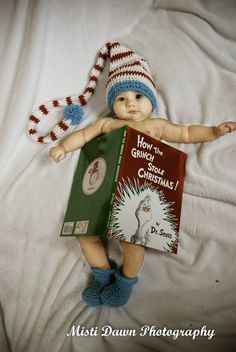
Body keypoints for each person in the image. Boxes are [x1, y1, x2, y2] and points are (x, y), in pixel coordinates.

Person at [28, 42, 236, 307]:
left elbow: (186, 133)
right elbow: (83, 135)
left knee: (133, 240)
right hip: (102, 194)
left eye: (138, 97)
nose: (131, 104)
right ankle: (102, 276)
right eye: (121, 99)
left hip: (136, 197)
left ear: (151, 100)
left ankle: (125, 282)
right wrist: (63, 147)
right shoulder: (108, 123)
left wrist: (215, 131)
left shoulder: (155, 126)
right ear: (113, 104)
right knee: (84, 235)